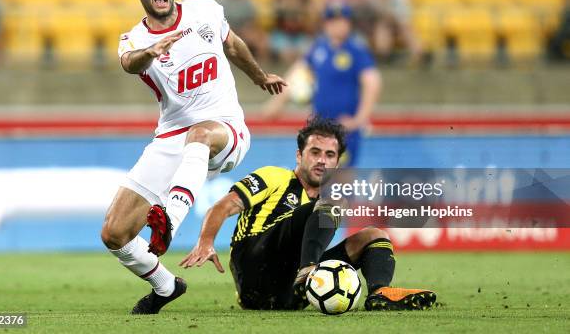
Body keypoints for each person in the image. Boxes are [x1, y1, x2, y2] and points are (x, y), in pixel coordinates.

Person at [99, 0, 287, 315]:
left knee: (199, 133)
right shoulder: (133, 39)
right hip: (171, 138)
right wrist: (150, 51)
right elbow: (128, 63)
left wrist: (260, 77)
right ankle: (166, 286)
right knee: (114, 233)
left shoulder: (205, 10)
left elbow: (232, 44)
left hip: (224, 129)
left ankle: (168, 219)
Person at [180, 116, 436, 310]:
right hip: (254, 270)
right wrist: (206, 241)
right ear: (299, 155)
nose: (322, 161)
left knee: (373, 236)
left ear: (337, 162)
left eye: (329, 155)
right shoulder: (274, 176)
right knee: (332, 201)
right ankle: (309, 271)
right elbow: (222, 206)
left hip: (288, 293)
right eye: (315, 152)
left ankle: (379, 294)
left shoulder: (328, 199)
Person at [264, 4, 382, 167]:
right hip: (318, 128)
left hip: (344, 129)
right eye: (332, 21)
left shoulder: (356, 51)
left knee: (341, 178)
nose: (337, 25)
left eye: (342, 21)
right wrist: (277, 103)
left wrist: (359, 119)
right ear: (326, 24)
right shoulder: (318, 48)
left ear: (349, 24)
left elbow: (372, 83)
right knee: (314, 176)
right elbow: (297, 74)